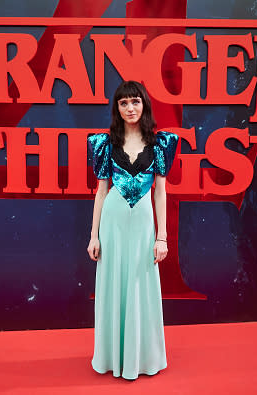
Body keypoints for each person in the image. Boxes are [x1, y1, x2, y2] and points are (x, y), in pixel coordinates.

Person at [86, 80, 179, 380]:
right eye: (124, 103)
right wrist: (93, 235)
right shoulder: (105, 144)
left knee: (141, 286)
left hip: (143, 225)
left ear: (144, 105)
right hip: (112, 222)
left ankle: (141, 358)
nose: (130, 108)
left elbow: (161, 193)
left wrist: (162, 237)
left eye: (135, 101)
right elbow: (101, 191)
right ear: (117, 108)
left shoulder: (160, 143)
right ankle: (113, 357)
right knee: (114, 285)